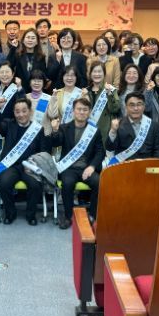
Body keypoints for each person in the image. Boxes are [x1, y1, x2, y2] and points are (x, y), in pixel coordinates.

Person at [0, 97, 52, 225]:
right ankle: (10, 213)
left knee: (35, 185)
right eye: (17, 111)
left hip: (30, 166)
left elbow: (44, 151)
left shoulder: (38, 129)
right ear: (14, 113)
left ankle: (31, 215)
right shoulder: (9, 125)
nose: (21, 114)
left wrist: (34, 163)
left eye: (24, 111)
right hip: (11, 165)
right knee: (4, 183)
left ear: (30, 111)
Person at [50, 97, 104, 229]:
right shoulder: (64, 128)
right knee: (67, 183)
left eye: (85, 110)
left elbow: (100, 152)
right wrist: (55, 130)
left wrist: (92, 167)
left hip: (87, 168)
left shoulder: (94, 130)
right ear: (73, 111)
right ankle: (68, 216)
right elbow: (55, 143)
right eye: (79, 109)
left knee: (99, 183)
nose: (82, 112)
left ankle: (92, 215)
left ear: (89, 112)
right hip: (69, 168)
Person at [107, 92, 159, 162]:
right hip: (125, 166)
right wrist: (113, 131)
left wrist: (154, 165)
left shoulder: (153, 125)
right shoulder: (118, 124)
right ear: (126, 107)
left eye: (139, 104)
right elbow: (110, 148)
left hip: (147, 165)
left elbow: (158, 151)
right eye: (132, 105)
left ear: (144, 106)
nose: (136, 108)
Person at [0, 62, 25, 156]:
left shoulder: (17, 90)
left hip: (12, 135)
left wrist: (19, 88)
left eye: (7, 72)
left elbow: (23, 106)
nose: (4, 75)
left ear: (13, 74)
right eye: (2, 72)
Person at [85, 61, 120, 147]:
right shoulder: (85, 91)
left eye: (99, 71)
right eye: (94, 71)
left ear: (104, 74)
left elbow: (115, 109)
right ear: (90, 74)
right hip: (88, 131)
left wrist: (109, 94)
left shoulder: (111, 89)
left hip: (105, 130)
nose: (97, 74)